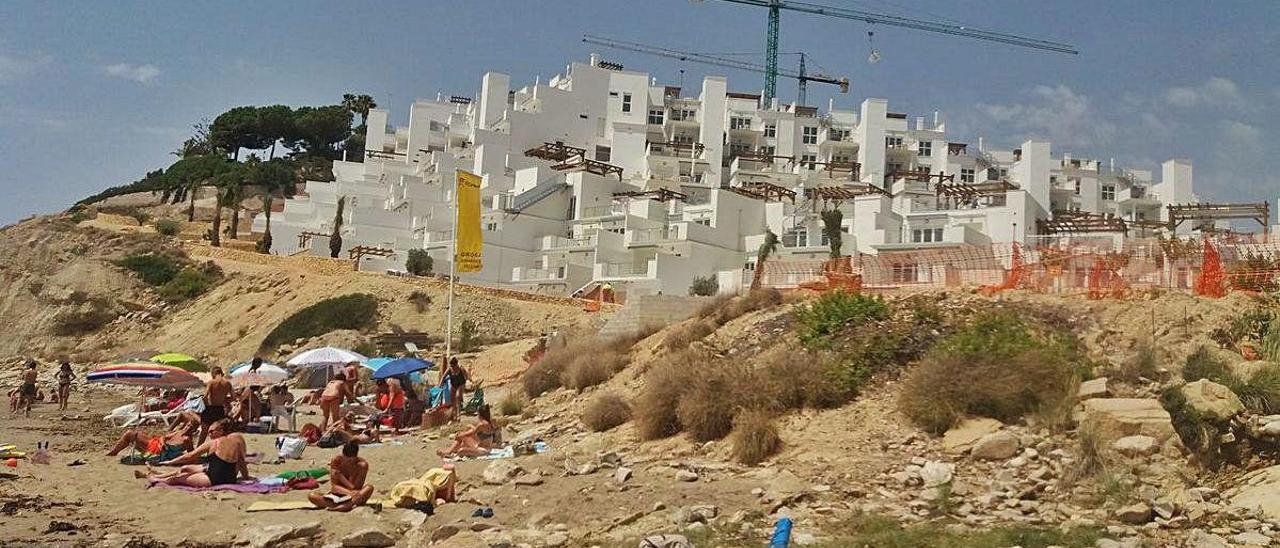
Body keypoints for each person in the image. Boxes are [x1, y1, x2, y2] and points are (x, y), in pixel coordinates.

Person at [135, 418, 249, 487]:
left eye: (211, 431)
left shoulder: (214, 443)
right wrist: (246, 477)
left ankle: (155, 479)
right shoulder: (236, 440)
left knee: (178, 479)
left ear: (221, 431)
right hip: (229, 477)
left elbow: (190, 455)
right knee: (185, 468)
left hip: (214, 479)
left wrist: (169, 462)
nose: (209, 434)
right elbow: (241, 462)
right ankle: (157, 473)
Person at [308, 441, 374, 512]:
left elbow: (355, 488)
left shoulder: (362, 465)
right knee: (312, 495)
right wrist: (348, 492)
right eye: (346, 459)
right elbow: (334, 486)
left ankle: (344, 506)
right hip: (340, 494)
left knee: (369, 488)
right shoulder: (337, 461)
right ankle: (344, 506)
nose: (348, 462)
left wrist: (341, 477)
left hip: (353, 497)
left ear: (355, 457)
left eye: (351, 460)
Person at [106, 410, 200, 457]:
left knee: (130, 434)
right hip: (157, 443)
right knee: (135, 433)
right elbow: (164, 437)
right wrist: (163, 442)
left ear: (194, 431)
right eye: (188, 425)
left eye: (191, 427)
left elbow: (191, 455)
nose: (188, 427)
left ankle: (114, 452)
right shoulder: (179, 432)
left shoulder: (187, 439)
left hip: (156, 450)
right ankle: (114, 452)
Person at [199, 367, 233, 444]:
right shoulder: (227, 383)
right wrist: (224, 401)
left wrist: (206, 405)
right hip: (220, 409)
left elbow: (205, 397)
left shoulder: (211, 382)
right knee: (217, 433)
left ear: (213, 374)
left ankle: (197, 451)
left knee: (204, 432)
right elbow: (233, 397)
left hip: (210, 409)